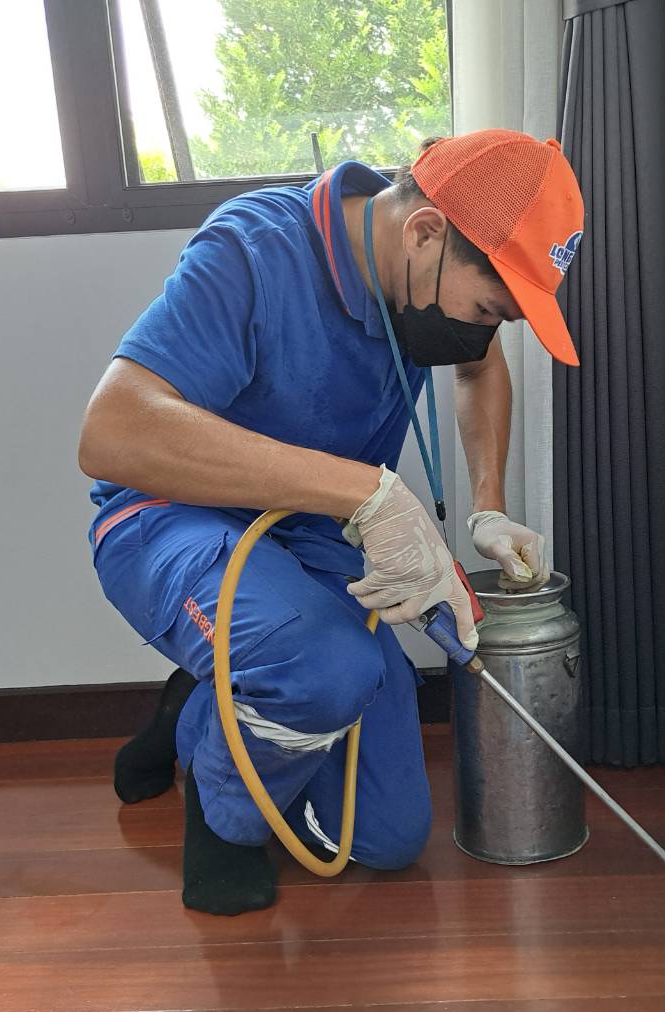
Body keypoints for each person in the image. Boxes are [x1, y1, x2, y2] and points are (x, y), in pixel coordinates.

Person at [78, 129, 584, 916]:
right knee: (320, 669)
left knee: (389, 838)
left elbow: (478, 367)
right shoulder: (255, 251)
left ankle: (207, 700)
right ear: (425, 232)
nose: (486, 332)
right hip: (172, 518)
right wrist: (370, 494)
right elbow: (113, 433)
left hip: (314, 532)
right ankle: (222, 813)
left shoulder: (422, 284)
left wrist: (486, 506)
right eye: (490, 309)